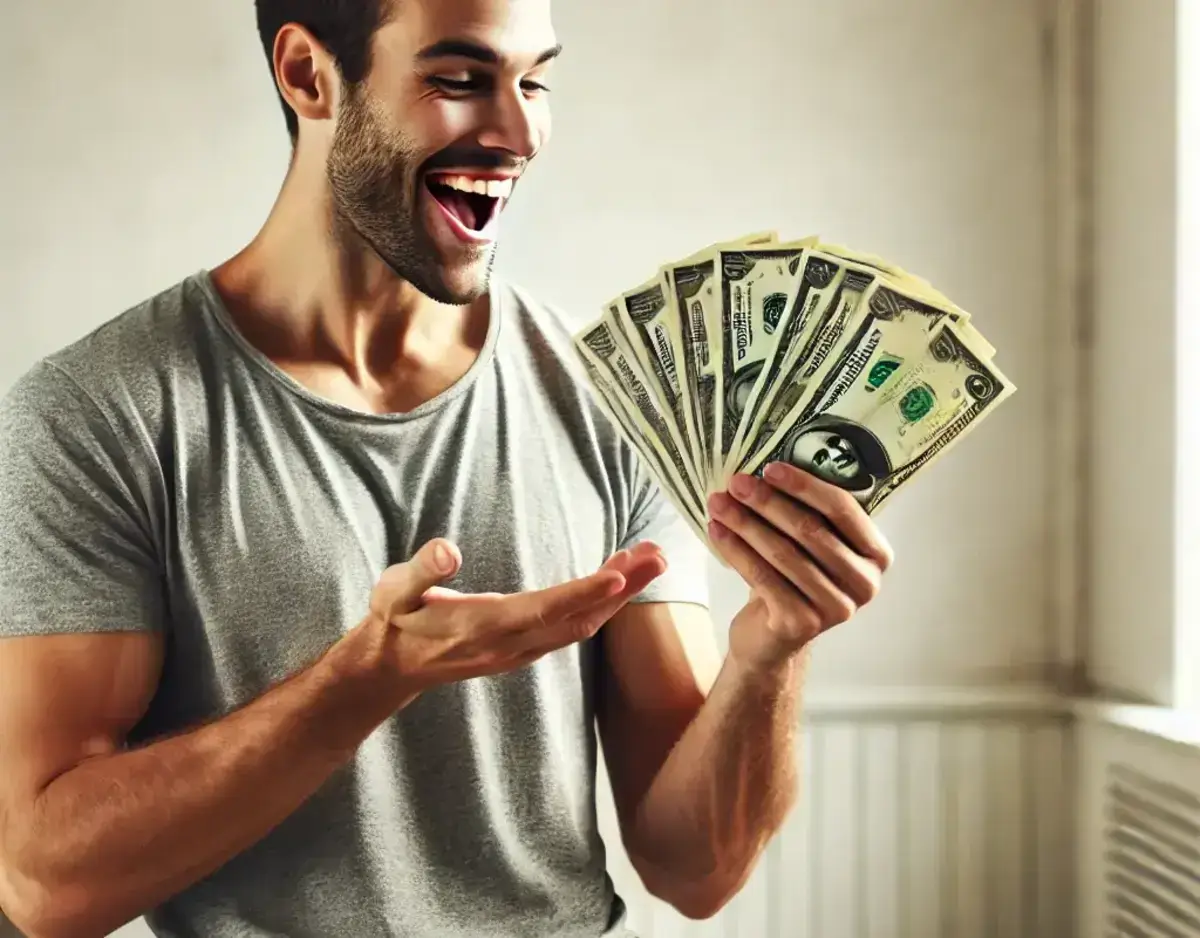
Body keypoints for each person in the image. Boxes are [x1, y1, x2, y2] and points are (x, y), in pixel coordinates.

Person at [0, 0, 894, 935]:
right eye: (460, 81)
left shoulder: (612, 399)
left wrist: (771, 651)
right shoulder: (96, 415)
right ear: (308, 75)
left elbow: (695, 870)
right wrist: (367, 680)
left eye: (535, 81)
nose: (518, 132)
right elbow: (48, 888)